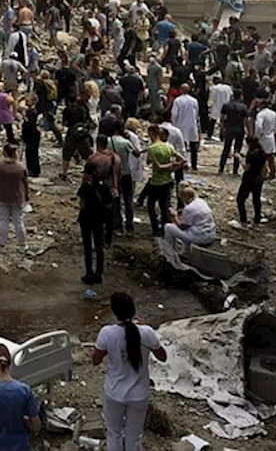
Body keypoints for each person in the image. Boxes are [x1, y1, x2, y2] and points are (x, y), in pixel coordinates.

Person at [93, 292, 168, 451]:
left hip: (114, 393)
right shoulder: (146, 332)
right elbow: (162, 357)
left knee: (114, 434)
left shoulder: (107, 333)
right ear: (133, 310)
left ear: (114, 312)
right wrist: (143, 331)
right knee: (134, 437)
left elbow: (95, 360)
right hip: (139, 394)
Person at [77, 161, 109, 285]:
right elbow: (108, 203)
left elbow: (82, 205)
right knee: (99, 246)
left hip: (86, 219)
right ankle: (99, 274)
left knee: (87, 246)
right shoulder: (103, 185)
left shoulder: (85, 187)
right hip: (99, 219)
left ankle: (89, 273)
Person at [163, 182, 215, 251]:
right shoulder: (201, 201)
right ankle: (185, 252)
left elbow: (183, 227)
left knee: (168, 227)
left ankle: (169, 251)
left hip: (201, 237)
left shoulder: (189, 208)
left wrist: (175, 216)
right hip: (210, 234)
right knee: (189, 227)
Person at [237, 138, 269, 226]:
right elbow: (265, 167)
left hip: (249, 178)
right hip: (258, 178)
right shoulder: (262, 152)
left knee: (240, 200)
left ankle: (243, 220)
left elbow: (246, 167)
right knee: (256, 199)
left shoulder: (251, 154)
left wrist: (240, 159)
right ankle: (257, 219)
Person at [169, 83, 200, 171]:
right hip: (192, 125)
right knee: (193, 146)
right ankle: (194, 165)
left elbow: (174, 114)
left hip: (180, 125)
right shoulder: (194, 100)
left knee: (181, 146)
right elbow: (196, 113)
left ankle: (182, 164)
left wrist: (174, 124)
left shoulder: (178, 100)